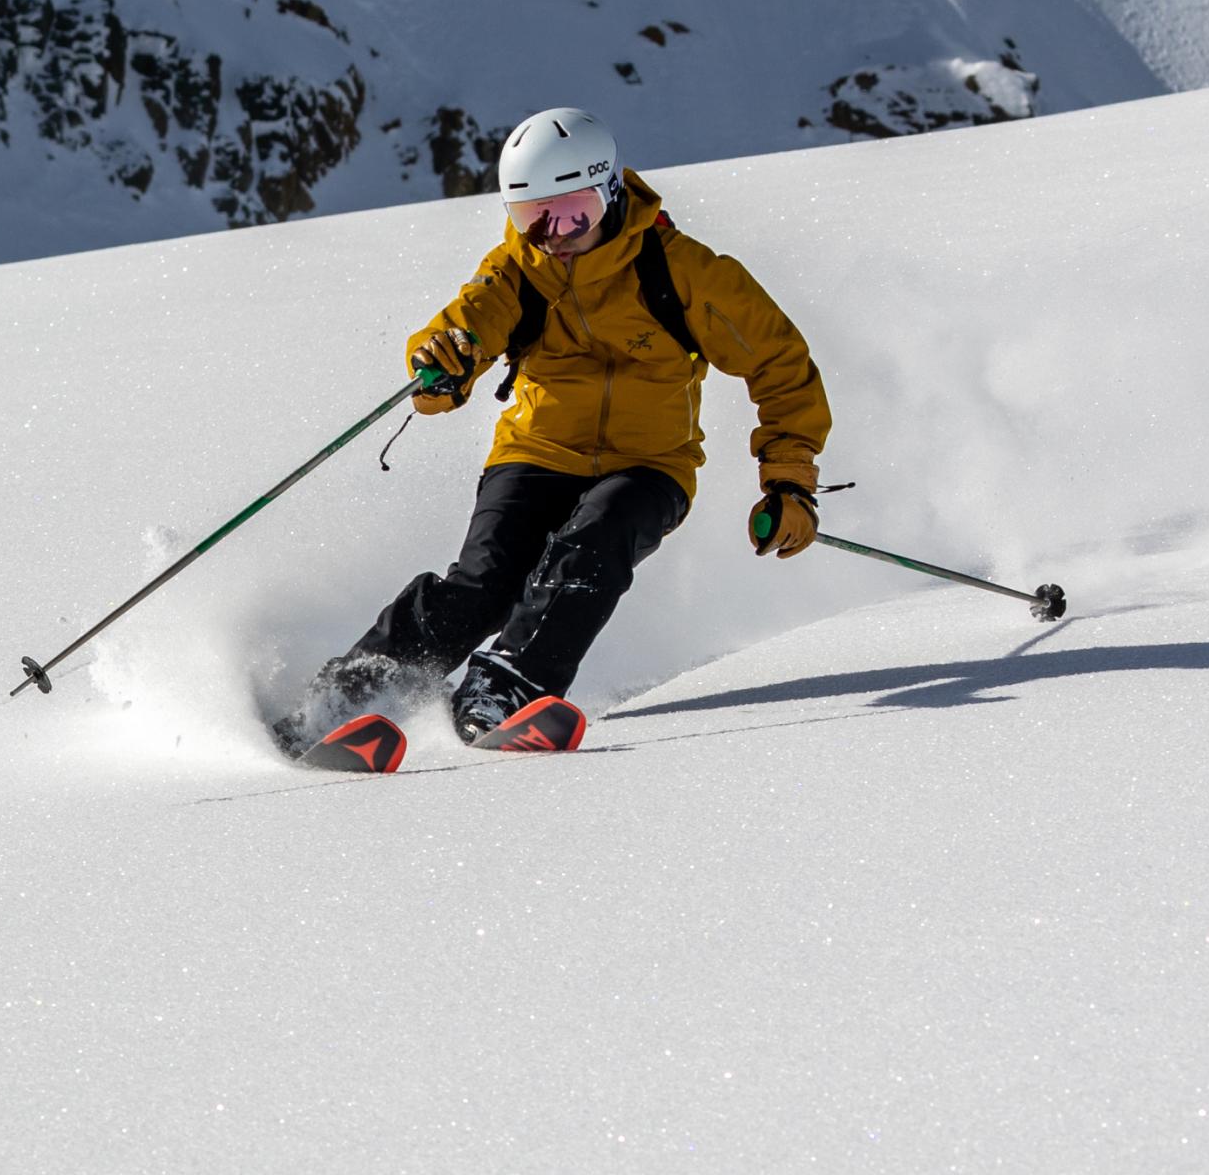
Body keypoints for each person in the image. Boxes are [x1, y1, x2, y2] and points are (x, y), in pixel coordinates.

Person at [282, 106, 832, 748]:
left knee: (590, 548)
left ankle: (510, 684)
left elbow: (781, 365)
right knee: (483, 586)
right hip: (536, 450)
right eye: (532, 217)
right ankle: (348, 695)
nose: (554, 235)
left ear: (611, 192)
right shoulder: (518, 269)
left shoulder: (684, 273)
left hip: (648, 467)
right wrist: (443, 360)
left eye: (573, 213)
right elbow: (471, 318)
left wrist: (789, 482)